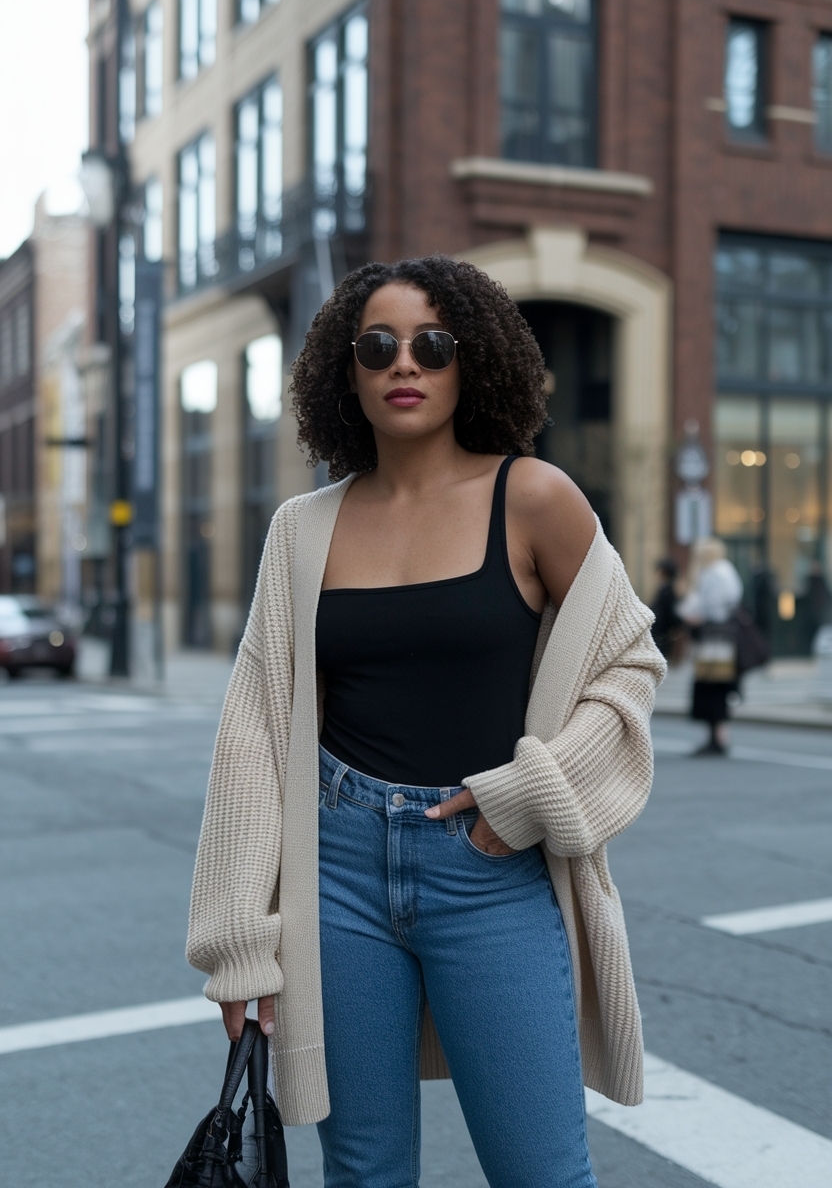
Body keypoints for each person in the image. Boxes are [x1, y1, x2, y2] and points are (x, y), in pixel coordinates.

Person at [186, 256, 666, 1188]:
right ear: (347, 372)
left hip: (489, 871)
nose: (404, 363)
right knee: (363, 1174)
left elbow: (629, 663)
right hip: (337, 875)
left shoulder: (532, 497)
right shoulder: (302, 528)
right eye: (378, 346)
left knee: (542, 1172)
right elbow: (252, 731)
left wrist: (529, 796)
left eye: (432, 345)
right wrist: (239, 944)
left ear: (470, 362)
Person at [678, 537, 743, 756]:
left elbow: (709, 607)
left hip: (714, 641)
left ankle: (716, 737)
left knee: (710, 687)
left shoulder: (712, 574)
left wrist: (694, 617)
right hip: (724, 639)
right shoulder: (727, 570)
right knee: (720, 688)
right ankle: (719, 735)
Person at [650, 557, 684, 661]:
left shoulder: (666, 590)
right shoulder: (668, 589)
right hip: (663, 630)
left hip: (661, 631)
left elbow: (668, 611)